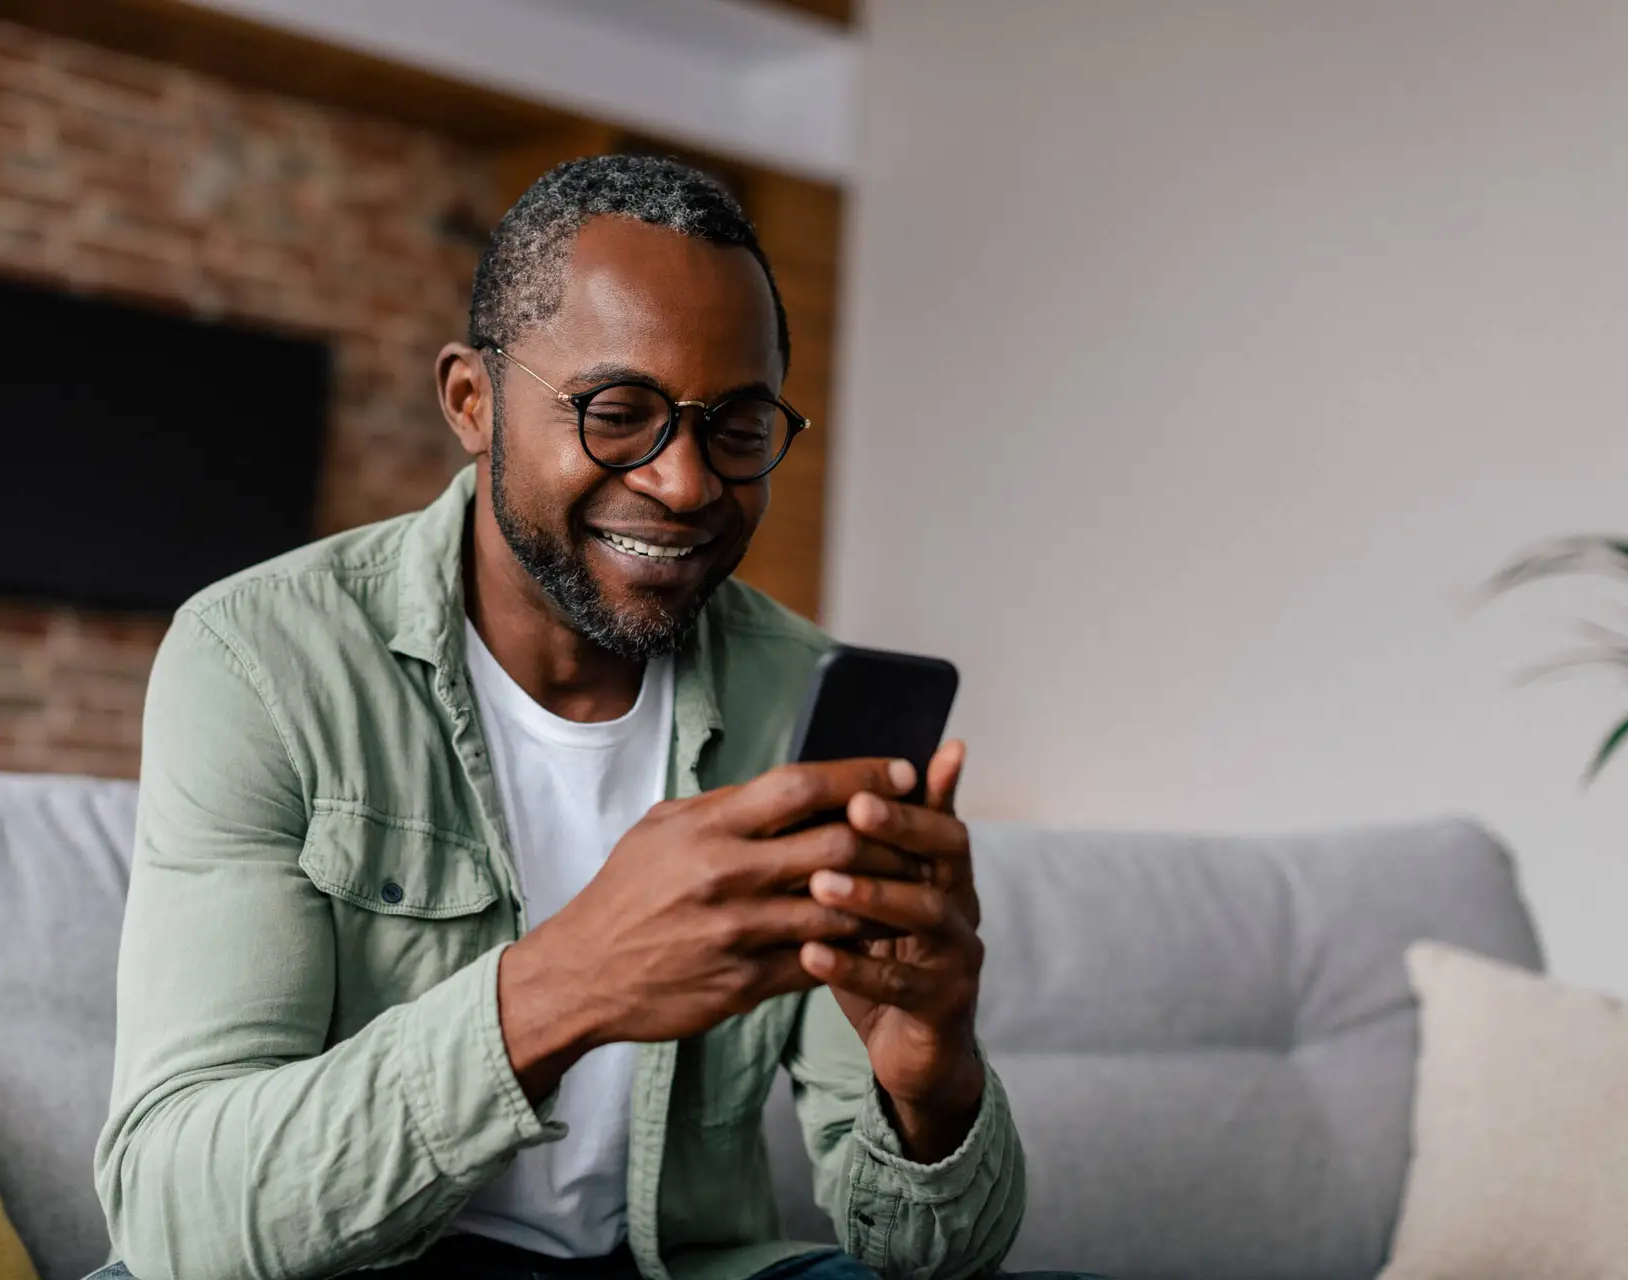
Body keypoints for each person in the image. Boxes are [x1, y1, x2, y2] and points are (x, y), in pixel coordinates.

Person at [90, 155, 1075, 1280]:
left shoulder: (799, 693)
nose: (687, 483)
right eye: (620, 414)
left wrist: (929, 1076)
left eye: (739, 430)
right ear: (472, 399)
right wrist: (570, 981)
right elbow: (175, 1213)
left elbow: (932, 1259)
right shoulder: (263, 657)